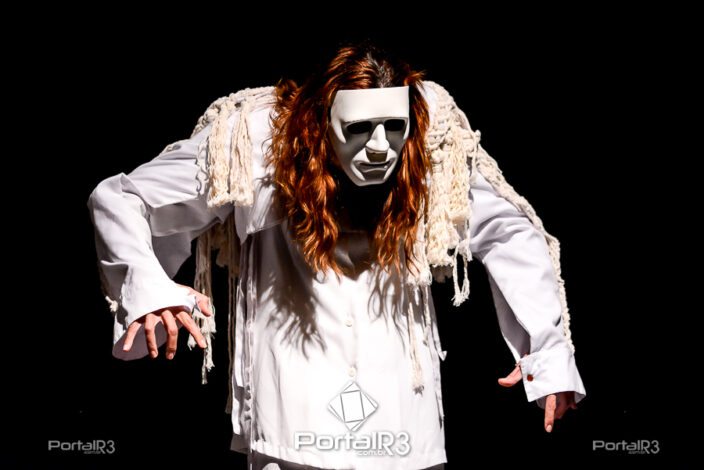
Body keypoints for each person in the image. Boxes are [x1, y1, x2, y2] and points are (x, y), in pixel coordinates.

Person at [88, 44, 586, 470]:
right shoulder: (254, 140)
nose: (380, 147)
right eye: (359, 128)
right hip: (291, 419)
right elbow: (121, 197)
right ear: (320, 122)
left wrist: (546, 350)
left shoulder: (435, 143)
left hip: (403, 423)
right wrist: (148, 287)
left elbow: (509, 229)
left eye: (394, 127)